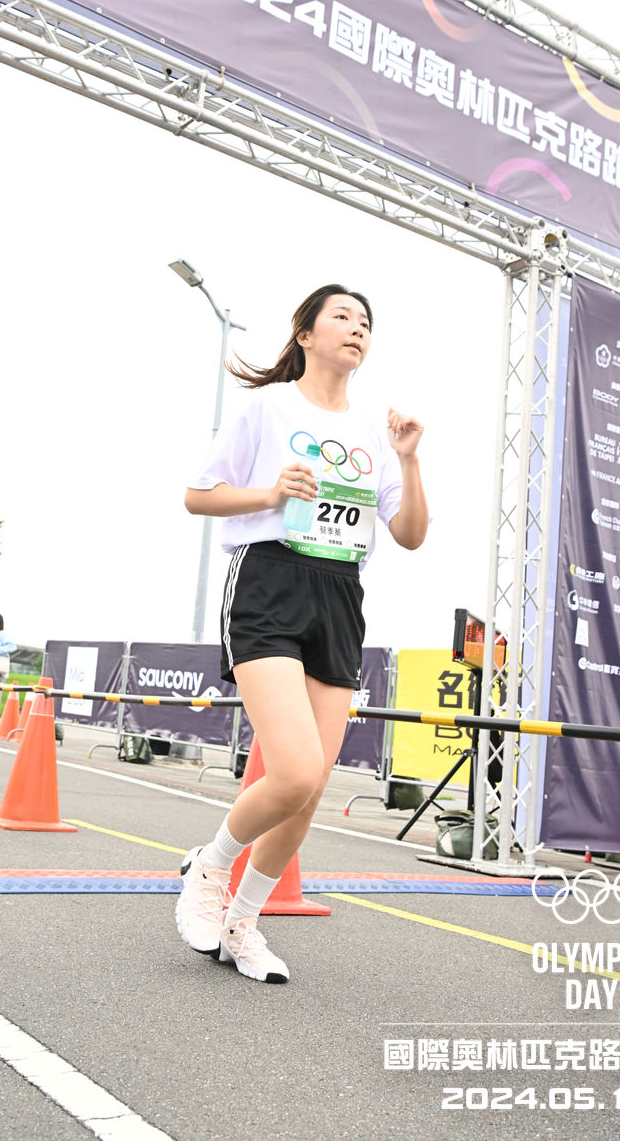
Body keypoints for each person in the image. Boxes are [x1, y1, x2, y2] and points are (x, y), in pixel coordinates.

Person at [176, 285, 428, 984]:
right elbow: (197, 495)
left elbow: (409, 534)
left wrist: (408, 458)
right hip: (269, 581)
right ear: (307, 334)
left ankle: (242, 922)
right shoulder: (268, 407)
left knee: (310, 787)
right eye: (342, 316)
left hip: (340, 592)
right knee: (292, 770)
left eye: (365, 322)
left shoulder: (376, 432)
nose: (356, 328)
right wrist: (270, 493)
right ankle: (209, 870)